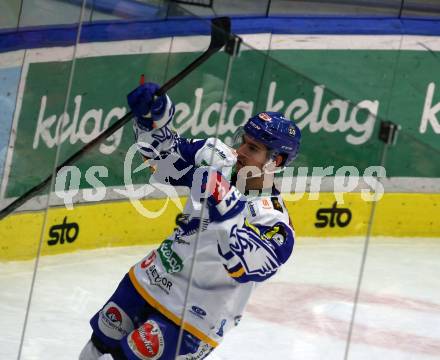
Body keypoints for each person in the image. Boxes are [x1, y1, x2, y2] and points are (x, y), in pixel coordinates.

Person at [79, 82, 301, 360]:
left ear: (276, 161)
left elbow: (243, 266)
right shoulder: (217, 159)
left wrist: (225, 201)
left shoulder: (275, 221)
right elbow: (162, 163)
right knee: (94, 351)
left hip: (194, 317)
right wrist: (154, 120)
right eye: (243, 141)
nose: (241, 151)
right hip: (150, 278)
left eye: (253, 148)